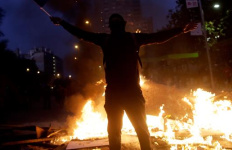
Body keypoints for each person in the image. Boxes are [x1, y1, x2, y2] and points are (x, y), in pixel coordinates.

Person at [50, 13, 197, 150]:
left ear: (110, 27)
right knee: (141, 130)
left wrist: (63, 22)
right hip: (131, 93)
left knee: (114, 132)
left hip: (114, 94)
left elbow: (82, 34)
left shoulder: (105, 39)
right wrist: (181, 30)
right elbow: (158, 37)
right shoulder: (133, 38)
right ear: (124, 24)